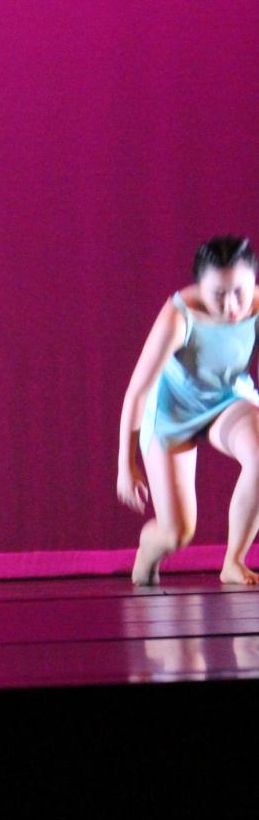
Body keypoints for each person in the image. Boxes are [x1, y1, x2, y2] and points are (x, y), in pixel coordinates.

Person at [118, 235, 259, 587]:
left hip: (226, 399)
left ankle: (234, 561)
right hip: (172, 413)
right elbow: (137, 392)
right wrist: (126, 464)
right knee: (178, 533)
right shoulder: (179, 316)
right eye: (218, 295)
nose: (231, 307)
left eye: (239, 291)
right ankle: (148, 553)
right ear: (200, 287)